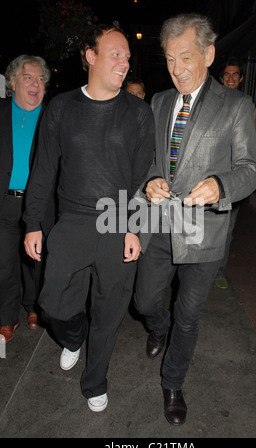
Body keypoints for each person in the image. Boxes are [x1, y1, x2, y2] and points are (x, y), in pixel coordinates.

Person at [134, 13, 256, 425]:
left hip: (204, 231)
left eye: (185, 57)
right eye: (170, 59)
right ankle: (158, 327)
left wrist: (221, 185)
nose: (177, 70)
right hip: (159, 223)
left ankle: (173, 382)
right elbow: (151, 160)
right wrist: (150, 179)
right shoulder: (158, 102)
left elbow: (250, 168)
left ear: (207, 54)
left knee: (188, 317)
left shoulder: (237, 105)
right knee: (146, 300)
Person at [23, 23, 154, 413]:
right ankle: (73, 336)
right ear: (91, 56)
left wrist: (135, 227)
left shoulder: (138, 113)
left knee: (110, 311)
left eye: (128, 56)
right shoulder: (61, 107)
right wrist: (32, 221)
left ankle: (95, 380)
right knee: (53, 306)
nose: (124, 62)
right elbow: (44, 169)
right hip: (73, 219)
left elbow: (141, 176)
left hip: (118, 220)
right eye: (116, 53)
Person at [0, 55, 52, 342]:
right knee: (4, 264)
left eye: (40, 78)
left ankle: (33, 306)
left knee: (36, 261)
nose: (35, 83)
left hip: (40, 204)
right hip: (5, 203)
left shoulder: (51, 116)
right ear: (13, 82)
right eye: (28, 77)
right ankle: (7, 317)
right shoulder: (1, 111)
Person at [214, 57, 245, 289]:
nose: (231, 78)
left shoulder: (245, 105)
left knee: (226, 229)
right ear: (221, 78)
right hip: (209, 178)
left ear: (241, 79)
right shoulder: (211, 104)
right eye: (227, 74)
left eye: (235, 74)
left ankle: (218, 271)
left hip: (231, 182)